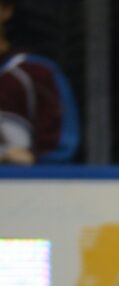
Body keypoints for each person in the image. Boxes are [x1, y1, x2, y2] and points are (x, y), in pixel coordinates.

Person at [0, 0, 79, 164]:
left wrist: (33, 160)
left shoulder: (38, 74)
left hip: (24, 186)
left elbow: (61, 149)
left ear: (5, 9)